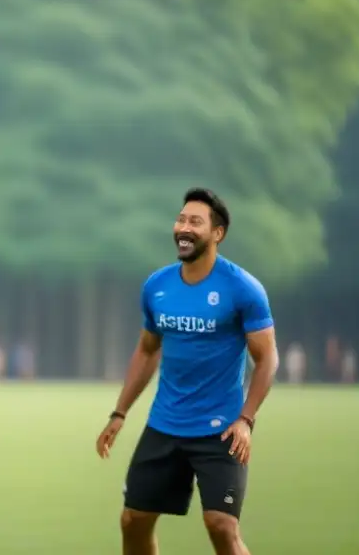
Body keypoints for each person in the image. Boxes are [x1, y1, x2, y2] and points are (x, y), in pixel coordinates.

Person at [95, 187, 279, 555]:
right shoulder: (158, 286)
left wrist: (246, 420)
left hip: (221, 429)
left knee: (222, 526)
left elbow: (267, 359)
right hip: (165, 425)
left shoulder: (243, 289)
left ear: (217, 233)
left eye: (195, 221)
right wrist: (120, 412)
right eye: (181, 219)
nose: (184, 227)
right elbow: (147, 351)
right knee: (133, 520)